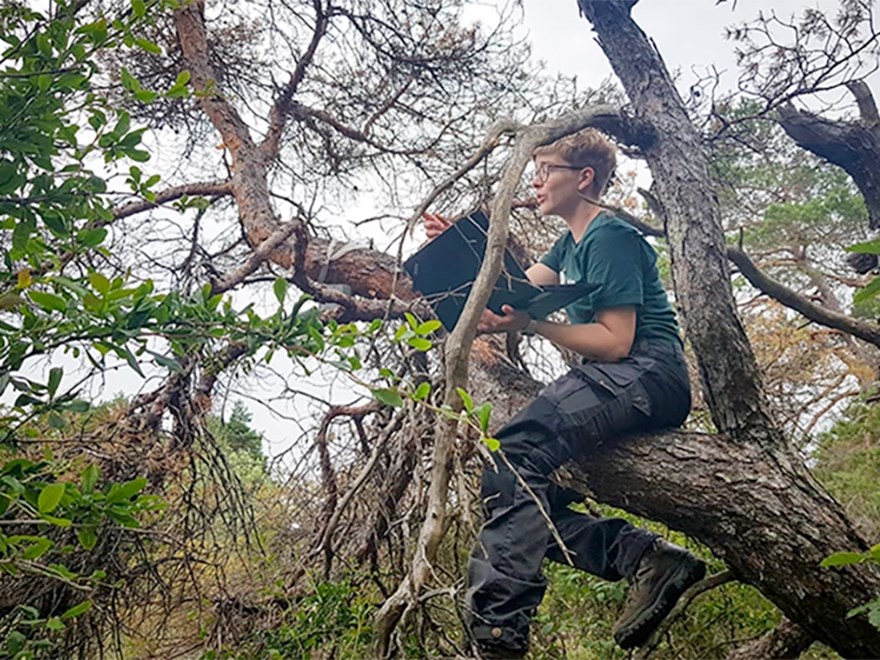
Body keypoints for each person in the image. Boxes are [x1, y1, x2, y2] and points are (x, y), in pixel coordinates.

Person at [423, 128, 705, 659]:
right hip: (623, 378)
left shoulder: (610, 237)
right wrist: (461, 254)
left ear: (584, 178)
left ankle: (495, 638)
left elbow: (616, 342)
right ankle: (645, 558)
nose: (535, 180)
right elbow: (510, 294)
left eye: (545, 169)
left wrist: (534, 326)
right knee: (507, 488)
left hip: (650, 372)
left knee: (518, 453)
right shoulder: (568, 244)